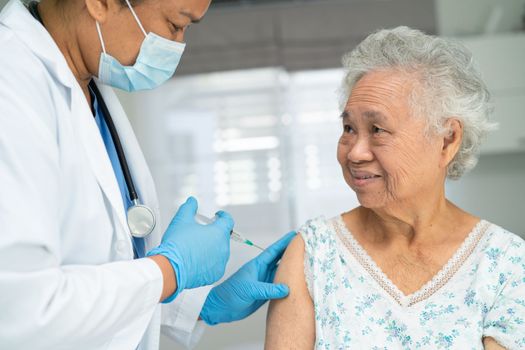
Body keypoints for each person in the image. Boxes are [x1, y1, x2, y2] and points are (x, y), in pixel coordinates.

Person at [0, 0, 295, 349]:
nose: (179, 45)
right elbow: (21, 310)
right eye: (176, 24)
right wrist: (169, 272)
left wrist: (200, 304)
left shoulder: (89, 77)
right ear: (100, 4)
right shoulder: (12, 87)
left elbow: (107, 268)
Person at [265, 26, 525, 349]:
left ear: (447, 140)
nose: (355, 152)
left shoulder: (506, 264)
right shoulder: (314, 254)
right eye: (348, 128)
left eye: (377, 129)